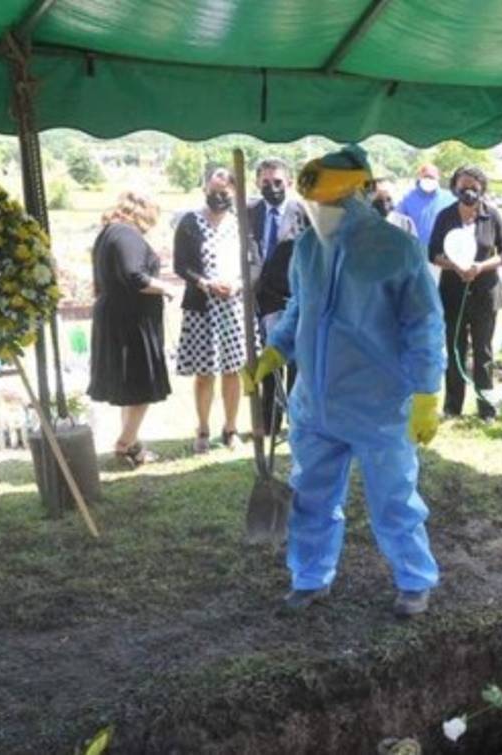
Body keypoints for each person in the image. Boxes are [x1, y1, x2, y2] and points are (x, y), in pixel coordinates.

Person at [242, 144, 445, 616]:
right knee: (310, 496)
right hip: (315, 403)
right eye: (316, 205)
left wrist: (426, 393)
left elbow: (425, 325)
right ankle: (310, 577)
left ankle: (414, 580)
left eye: (332, 204)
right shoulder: (308, 247)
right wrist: (276, 349)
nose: (322, 213)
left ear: (359, 195)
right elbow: (300, 309)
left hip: (379, 403)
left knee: (394, 499)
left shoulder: (397, 249)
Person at [87, 191, 176, 466]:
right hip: (130, 322)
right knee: (140, 385)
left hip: (118, 317)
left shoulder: (107, 234)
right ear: (142, 211)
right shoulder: (126, 235)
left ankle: (132, 442)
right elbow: (134, 276)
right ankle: (125, 444)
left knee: (129, 387)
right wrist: (168, 288)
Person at [174, 167, 249, 454]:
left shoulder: (241, 223)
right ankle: (203, 428)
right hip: (202, 307)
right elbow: (181, 265)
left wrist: (239, 284)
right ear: (205, 189)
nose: (220, 197)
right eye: (215, 192)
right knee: (205, 373)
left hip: (233, 306)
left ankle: (231, 429)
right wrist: (205, 283)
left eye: (226, 193)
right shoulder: (189, 223)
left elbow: (252, 261)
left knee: (233, 370)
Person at [429, 164, 502, 420]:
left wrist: (480, 267)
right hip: (453, 293)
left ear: (482, 189)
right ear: (454, 188)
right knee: (455, 349)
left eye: (474, 188)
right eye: (463, 187)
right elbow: (432, 253)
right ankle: (453, 406)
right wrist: (455, 265)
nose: (468, 192)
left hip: (485, 292)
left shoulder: (492, 216)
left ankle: (486, 408)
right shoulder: (445, 216)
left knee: (483, 350)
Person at [247, 157, 308, 435]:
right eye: (266, 183)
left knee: (295, 360)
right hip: (260, 297)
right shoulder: (247, 212)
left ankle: (297, 419)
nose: (272, 188)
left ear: (290, 183)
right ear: (258, 183)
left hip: (292, 297)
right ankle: (270, 421)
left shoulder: (303, 213)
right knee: (268, 361)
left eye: (278, 182)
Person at [398, 163, 455, 248]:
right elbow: (397, 223)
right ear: (419, 177)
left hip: (441, 253)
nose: (428, 180)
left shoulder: (450, 199)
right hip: (416, 251)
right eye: (425, 177)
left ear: (438, 178)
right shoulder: (408, 199)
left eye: (431, 177)